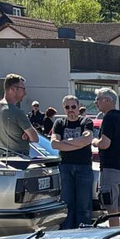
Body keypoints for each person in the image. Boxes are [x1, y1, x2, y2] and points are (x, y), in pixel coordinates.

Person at [50, 95, 96, 228]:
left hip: (84, 167)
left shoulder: (86, 122)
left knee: (84, 205)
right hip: (65, 167)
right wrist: (78, 143)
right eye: (67, 107)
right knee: (67, 205)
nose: (71, 110)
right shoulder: (59, 123)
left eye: (73, 107)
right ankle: (67, 234)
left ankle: (83, 234)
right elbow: (54, 144)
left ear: (78, 107)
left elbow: (86, 140)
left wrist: (64, 142)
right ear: (64, 109)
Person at [94, 88, 120, 227]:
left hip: (111, 168)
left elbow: (105, 144)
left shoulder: (109, 118)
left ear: (108, 100)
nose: (96, 102)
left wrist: (94, 141)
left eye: (98, 99)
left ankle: (114, 235)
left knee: (112, 208)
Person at [0, 74, 38, 155]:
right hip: (19, 160)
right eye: (23, 89)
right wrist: (28, 133)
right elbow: (35, 138)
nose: (25, 93)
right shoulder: (17, 112)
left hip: (2, 159)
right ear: (13, 89)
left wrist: (27, 133)